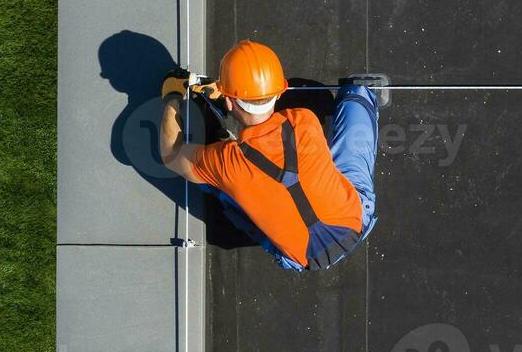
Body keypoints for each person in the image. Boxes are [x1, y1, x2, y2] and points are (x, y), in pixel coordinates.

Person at [158, 39, 378, 270]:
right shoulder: (304, 119)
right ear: (279, 91)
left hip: (305, 259)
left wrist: (172, 97)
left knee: (216, 182)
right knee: (355, 117)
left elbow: (170, 153)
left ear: (230, 103)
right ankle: (361, 93)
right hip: (355, 220)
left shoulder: (225, 162)